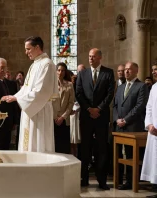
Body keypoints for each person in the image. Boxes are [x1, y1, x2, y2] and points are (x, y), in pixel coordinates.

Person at [3, 36, 58, 152]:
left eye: (28, 49)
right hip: (30, 109)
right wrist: (15, 97)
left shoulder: (46, 64)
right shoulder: (34, 65)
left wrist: (18, 99)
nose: (26, 52)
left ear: (37, 47)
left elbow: (40, 91)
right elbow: (26, 88)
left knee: (38, 143)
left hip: (40, 110)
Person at [76, 48, 115, 190]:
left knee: (102, 149)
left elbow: (110, 94)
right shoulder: (82, 74)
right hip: (86, 117)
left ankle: (102, 180)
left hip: (101, 116)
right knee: (85, 149)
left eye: (93, 56)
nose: (90, 59)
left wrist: (98, 109)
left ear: (100, 57)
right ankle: (84, 178)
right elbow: (78, 93)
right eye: (89, 56)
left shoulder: (108, 73)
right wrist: (88, 109)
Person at [113, 61, 148, 190]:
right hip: (119, 127)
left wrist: (126, 120)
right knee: (119, 155)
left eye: (129, 70)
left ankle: (131, 181)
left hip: (133, 127)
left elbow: (139, 106)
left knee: (131, 155)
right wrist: (117, 119)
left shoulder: (141, 86)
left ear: (136, 71)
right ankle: (119, 179)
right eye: (125, 69)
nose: (126, 71)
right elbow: (115, 105)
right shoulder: (121, 86)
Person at [141, 68, 157, 198]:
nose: (153, 72)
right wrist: (150, 124)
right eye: (152, 70)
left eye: (156, 69)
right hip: (154, 130)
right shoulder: (154, 87)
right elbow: (149, 107)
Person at [52, 62, 74, 154]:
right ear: (56, 71)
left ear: (65, 72)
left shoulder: (69, 85)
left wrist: (62, 117)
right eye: (59, 70)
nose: (60, 72)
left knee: (64, 146)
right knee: (54, 145)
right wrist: (55, 116)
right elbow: (48, 103)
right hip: (53, 119)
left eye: (63, 70)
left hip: (64, 120)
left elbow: (70, 103)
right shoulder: (51, 85)